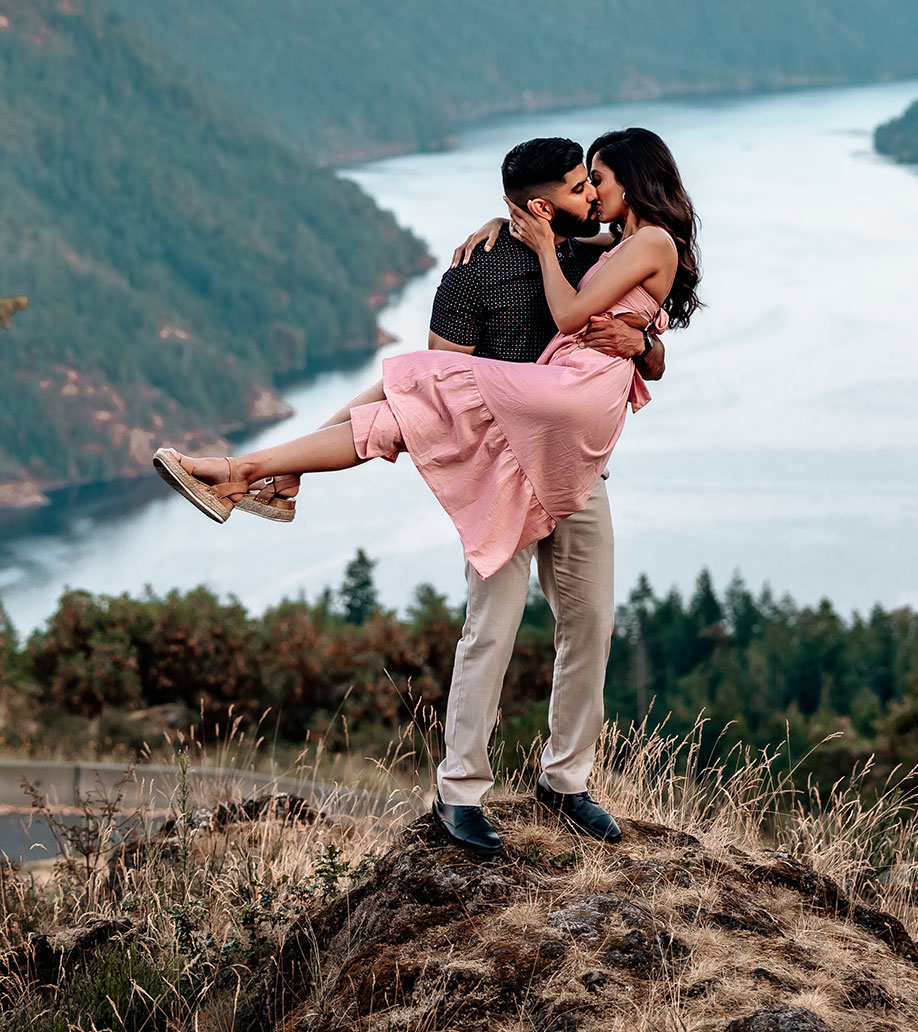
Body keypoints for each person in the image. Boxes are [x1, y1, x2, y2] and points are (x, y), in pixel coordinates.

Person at [154, 130, 703, 855]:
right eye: (580, 185)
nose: (592, 195)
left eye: (594, 181)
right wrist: (512, 236)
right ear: (539, 204)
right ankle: (460, 791)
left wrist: (646, 345)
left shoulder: (587, 252)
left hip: (575, 463)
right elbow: (440, 402)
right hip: (502, 466)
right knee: (488, 618)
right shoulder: (474, 272)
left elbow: (643, 327)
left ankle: (565, 782)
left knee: (592, 626)